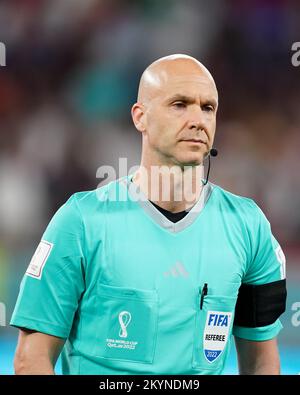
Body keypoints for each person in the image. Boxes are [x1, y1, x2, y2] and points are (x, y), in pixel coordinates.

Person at [11, 54, 287, 375]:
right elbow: (31, 358)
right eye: (179, 104)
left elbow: (262, 362)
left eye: (207, 107)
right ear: (140, 117)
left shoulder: (249, 227)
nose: (198, 119)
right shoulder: (81, 222)